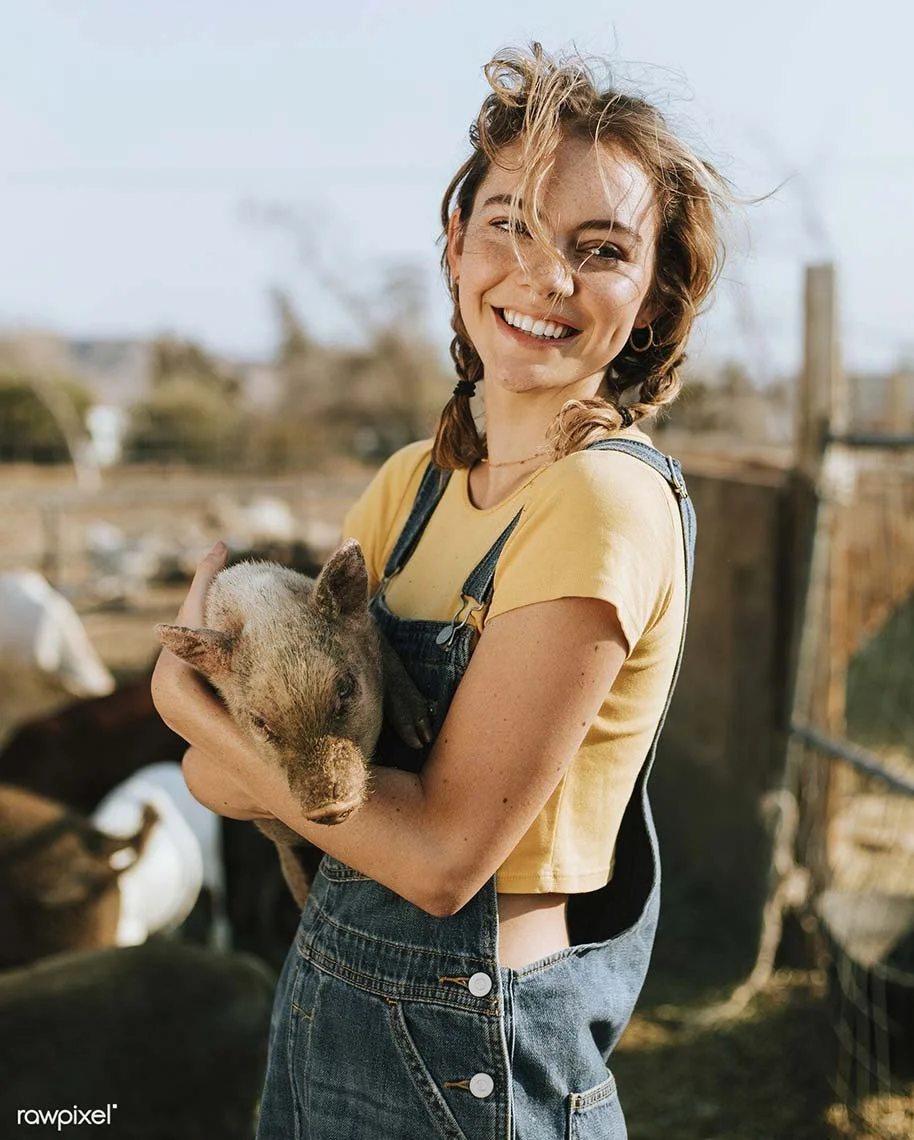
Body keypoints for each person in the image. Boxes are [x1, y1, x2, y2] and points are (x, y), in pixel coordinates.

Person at [152, 42, 726, 1140]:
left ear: (653, 298)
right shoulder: (409, 487)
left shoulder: (600, 501)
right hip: (324, 994)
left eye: (601, 249)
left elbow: (441, 861)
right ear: (456, 243)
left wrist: (188, 705)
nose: (546, 277)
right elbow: (215, 784)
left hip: (470, 1047)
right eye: (511, 223)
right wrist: (229, 747)